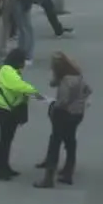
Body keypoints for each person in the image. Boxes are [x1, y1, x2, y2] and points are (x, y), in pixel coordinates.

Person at [35, 51, 91, 188]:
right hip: (78, 114)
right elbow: (88, 90)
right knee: (70, 140)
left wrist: (53, 104)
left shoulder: (66, 81)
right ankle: (68, 172)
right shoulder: (78, 76)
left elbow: (63, 100)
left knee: (55, 142)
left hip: (64, 114)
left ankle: (48, 178)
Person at [0, 48, 45, 181]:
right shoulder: (8, 72)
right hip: (6, 111)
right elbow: (19, 86)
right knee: (4, 141)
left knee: (7, 141)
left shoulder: (9, 70)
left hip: (7, 109)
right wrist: (36, 94)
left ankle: (5, 166)